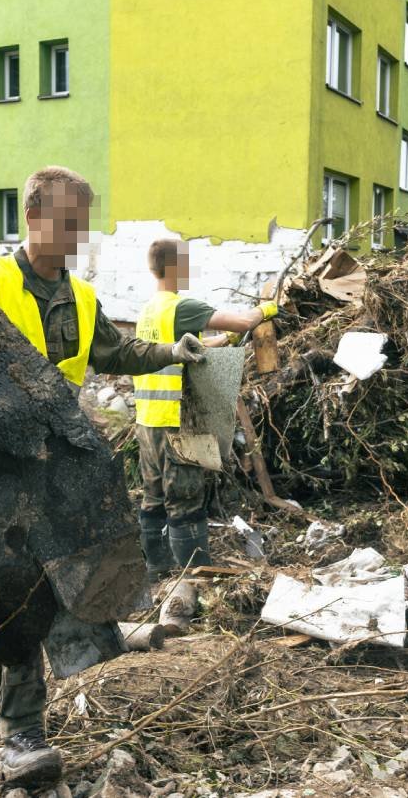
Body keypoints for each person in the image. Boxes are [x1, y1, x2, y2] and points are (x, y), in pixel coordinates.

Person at [0, 167, 206, 788]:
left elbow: (115, 351)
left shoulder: (81, 297)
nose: (77, 234)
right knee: (21, 593)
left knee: (64, 579)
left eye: (83, 223)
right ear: (32, 217)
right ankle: (21, 735)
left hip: (54, 464)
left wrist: (173, 352)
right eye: (66, 222)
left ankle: (17, 667)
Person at [133, 238, 278, 581]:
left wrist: (221, 342)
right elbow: (242, 322)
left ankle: (156, 573)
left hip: (147, 420)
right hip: (177, 420)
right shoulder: (182, 306)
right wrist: (267, 309)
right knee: (186, 499)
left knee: (153, 498)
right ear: (174, 266)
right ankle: (195, 578)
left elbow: (184, 348)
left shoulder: (149, 310)